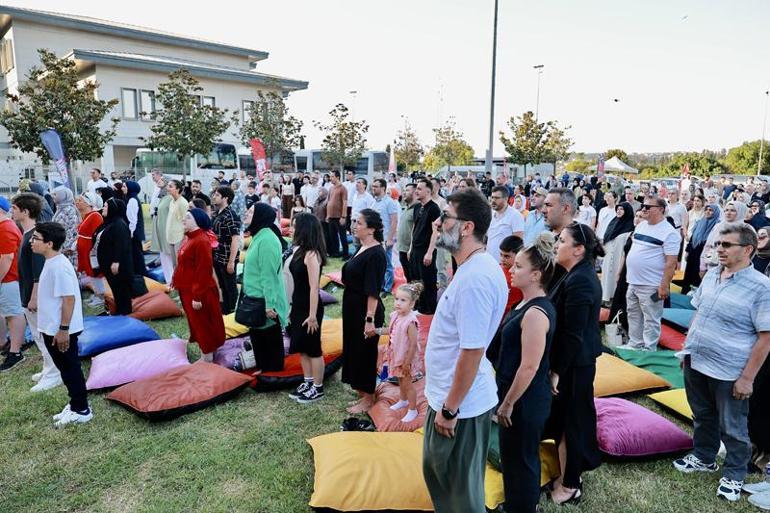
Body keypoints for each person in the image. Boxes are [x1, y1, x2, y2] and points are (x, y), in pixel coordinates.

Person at [422, 189, 508, 513]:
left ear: (467, 227)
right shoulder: (471, 268)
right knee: (441, 477)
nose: (438, 223)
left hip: (460, 406)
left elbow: (471, 352)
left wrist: (450, 408)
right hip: (452, 398)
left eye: (445, 217)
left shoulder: (476, 278)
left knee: (459, 494)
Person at [673, 223, 770, 502]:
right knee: (702, 415)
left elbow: (766, 338)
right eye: (718, 244)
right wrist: (687, 350)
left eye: (727, 245)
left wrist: (747, 378)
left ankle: (734, 474)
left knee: (733, 425)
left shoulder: (762, 288)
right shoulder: (713, 274)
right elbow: (699, 313)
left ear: (748, 249)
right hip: (697, 360)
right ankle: (704, 457)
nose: (719, 249)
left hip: (730, 369)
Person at [495, 232, 557, 513]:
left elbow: (529, 366)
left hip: (524, 399)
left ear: (535, 275)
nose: (511, 269)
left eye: (518, 266)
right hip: (517, 394)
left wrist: (508, 403)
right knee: (513, 457)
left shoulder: (535, 313)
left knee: (522, 459)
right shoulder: (524, 304)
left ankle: (523, 507)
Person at [547, 222, 604, 505]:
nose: (557, 245)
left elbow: (574, 333)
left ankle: (571, 484)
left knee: (573, 421)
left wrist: (557, 370)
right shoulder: (572, 273)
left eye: (562, 241)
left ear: (579, 249)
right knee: (564, 420)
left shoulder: (581, 279)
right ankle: (566, 475)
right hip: (572, 361)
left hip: (575, 364)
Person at [31, 222, 91, 427]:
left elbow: (69, 299)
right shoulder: (51, 261)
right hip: (52, 327)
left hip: (61, 330)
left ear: (49, 243)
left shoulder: (59, 266)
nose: (32, 242)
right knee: (65, 368)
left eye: (36, 238)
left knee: (70, 367)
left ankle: (81, 409)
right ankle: (75, 403)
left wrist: (63, 329)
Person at [9, 194, 62, 390]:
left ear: (26, 211)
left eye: (14, 208)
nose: (11, 211)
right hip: (26, 291)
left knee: (42, 334)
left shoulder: (35, 236)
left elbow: (38, 272)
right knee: (39, 334)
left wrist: (33, 297)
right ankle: (49, 367)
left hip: (34, 295)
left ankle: (54, 373)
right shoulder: (27, 233)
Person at [341, 209, 387, 414]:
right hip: (352, 307)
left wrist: (369, 319)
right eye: (354, 221)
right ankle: (361, 388)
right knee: (353, 348)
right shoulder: (361, 247)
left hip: (366, 310)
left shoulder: (376, 254)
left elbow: (373, 290)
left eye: (358, 223)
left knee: (365, 353)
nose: (354, 225)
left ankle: (369, 397)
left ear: (371, 229)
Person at [625, 195, 681, 351]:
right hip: (633, 281)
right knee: (633, 313)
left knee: (651, 317)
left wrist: (664, 286)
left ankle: (649, 347)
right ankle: (635, 342)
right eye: (643, 206)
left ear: (660, 210)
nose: (643, 209)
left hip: (652, 284)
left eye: (648, 207)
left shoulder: (669, 233)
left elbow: (671, 263)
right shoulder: (641, 226)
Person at [172, 209, 226, 362]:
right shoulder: (189, 238)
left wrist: (197, 296)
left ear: (198, 221)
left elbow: (204, 271)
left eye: (188, 217)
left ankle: (207, 356)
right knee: (197, 323)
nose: (184, 219)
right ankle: (208, 352)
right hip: (187, 289)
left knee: (203, 324)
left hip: (198, 291)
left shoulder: (201, 240)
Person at [242, 203, 290, 372]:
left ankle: (273, 372)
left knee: (269, 336)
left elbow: (268, 276)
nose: (247, 213)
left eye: (251, 211)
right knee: (257, 335)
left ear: (260, 215)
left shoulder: (268, 239)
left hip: (265, 299)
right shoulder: (259, 235)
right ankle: (264, 368)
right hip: (255, 298)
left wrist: (269, 304)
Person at [287, 213, 327, 404]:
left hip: (310, 307)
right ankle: (308, 381)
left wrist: (312, 316)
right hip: (298, 304)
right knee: (302, 346)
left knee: (313, 348)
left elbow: (314, 287)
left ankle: (318, 388)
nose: (291, 229)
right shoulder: (299, 251)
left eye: (295, 226)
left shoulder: (312, 254)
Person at [384, 282, 424, 423]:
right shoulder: (395, 315)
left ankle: (412, 409)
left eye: (403, 300)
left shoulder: (410, 321)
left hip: (406, 358)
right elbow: (392, 332)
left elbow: (413, 344)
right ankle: (403, 400)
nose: (398, 303)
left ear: (412, 304)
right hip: (397, 355)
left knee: (408, 383)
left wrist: (407, 362)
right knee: (400, 379)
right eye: (397, 299)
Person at [95, 199, 134, 315]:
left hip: (118, 267)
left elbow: (121, 245)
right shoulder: (109, 222)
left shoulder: (119, 224)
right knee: (116, 291)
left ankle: (125, 315)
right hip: (108, 264)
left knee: (121, 291)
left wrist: (116, 261)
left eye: (106, 206)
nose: (103, 208)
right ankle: (119, 312)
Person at [0, 196, 25, 371]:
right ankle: (7, 344)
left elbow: (7, 257)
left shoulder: (5, 227)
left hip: (9, 279)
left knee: (13, 314)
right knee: (8, 313)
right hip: (8, 278)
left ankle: (15, 352)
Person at [409, 178, 441, 315]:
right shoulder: (417, 207)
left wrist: (429, 252)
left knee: (427, 279)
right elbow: (414, 228)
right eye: (416, 188)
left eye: (420, 189)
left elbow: (436, 232)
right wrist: (410, 248)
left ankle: (429, 308)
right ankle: (419, 305)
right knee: (416, 279)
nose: (417, 191)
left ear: (428, 191)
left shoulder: (434, 208)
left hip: (426, 249)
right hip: (415, 249)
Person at [211, 186, 241, 315]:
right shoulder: (218, 213)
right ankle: (226, 309)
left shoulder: (231, 215)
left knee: (230, 286)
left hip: (226, 257)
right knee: (223, 285)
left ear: (226, 198)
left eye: (217, 195)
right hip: (217, 255)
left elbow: (235, 239)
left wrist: (231, 262)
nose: (214, 197)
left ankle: (232, 311)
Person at [75, 192, 105, 308]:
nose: (77, 202)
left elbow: (98, 234)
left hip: (90, 249)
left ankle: (100, 296)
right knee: (89, 272)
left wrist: (94, 251)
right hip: (84, 249)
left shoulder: (95, 216)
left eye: (80, 200)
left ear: (88, 203)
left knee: (95, 272)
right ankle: (97, 294)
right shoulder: (86, 215)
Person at [600, 202, 635, 304]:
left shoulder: (629, 226)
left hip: (619, 256)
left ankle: (614, 299)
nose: (619, 211)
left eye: (621, 209)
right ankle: (605, 297)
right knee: (607, 276)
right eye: (617, 209)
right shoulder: (613, 223)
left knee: (616, 276)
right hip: (609, 254)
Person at [701, 201, 748, 276]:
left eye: (732, 210)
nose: (728, 213)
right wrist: (702, 266)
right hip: (713, 265)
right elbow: (708, 246)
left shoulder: (745, 229)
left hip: (734, 270)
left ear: (740, 212)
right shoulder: (718, 226)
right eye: (726, 210)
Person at [681, 204, 720, 294]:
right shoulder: (700, 222)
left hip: (703, 257)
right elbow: (692, 238)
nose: (708, 212)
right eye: (706, 209)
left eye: (711, 210)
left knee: (698, 277)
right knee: (688, 275)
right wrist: (687, 252)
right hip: (693, 253)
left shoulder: (716, 226)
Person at [371, 178, 399, 295]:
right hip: (375, 238)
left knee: (387, 263)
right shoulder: (374, 202)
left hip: (386, 238)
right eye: (373, 186)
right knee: (377, 263)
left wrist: (390, 238)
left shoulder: (389, 202)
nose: (373, 188)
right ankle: (380, 284)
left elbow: (394, 221)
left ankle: (387, 288)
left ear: (383, 188)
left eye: (376, 186)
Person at [487, 186, 525, 263]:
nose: (493, 200)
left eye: (497, 198)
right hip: (489, 260)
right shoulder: (490, 214)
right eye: (492, 197)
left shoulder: (515, 215)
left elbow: (518, 243)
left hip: (505, 264)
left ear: (506, 199)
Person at [51, 186, 81, 269]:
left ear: (63, 196)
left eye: (55, 194)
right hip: (61, 246)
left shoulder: (68, 210)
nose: (53, 196)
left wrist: (66, 248)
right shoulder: (61, 208)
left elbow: (71, 231)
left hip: (67, 250)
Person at [124, 181, 147, 278]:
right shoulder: (132, 199)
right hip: (135, 232)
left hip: (134, 233)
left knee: (137, 256)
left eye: (125, 186)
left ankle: (141, 275)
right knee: (137, 255)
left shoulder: (132, 200)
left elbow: (132, 219)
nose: (123, 188)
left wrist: (131, 232)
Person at [498, 235, 524, 316]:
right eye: (501, 255)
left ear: (518, 255)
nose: (502, 259)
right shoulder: (497, 269)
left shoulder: (520, 276)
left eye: (507, 256)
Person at [326, 171, 349, 258]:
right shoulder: (331, 188)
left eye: (332, 176)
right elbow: (329, 202)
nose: (330, 178)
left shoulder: (343, 188)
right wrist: (328, 215)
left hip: (339, 217)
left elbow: (345, 203)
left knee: (343, 236)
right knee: (333, 236)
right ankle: (335, 252)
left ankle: (345, 254)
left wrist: (343, 216)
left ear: (338, 177)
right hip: (331, 216)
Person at [166, 180, 189, 260]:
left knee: (180, 263)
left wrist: (185, 238)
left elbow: (186, 222)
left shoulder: (183, 203)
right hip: (171, 237)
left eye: (170, 186)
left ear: (178, 189)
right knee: (174, 265)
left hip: (179, 238)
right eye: (168, 186)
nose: (167, 188)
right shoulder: (171, 201)